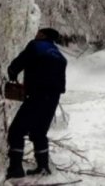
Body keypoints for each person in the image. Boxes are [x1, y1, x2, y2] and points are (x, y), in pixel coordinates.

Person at [5, 28, 68, 179]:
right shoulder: (59, 54)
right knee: (39, 132)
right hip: (53, 97)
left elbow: (19, 62)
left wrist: (12, 73)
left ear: (43, 35)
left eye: (39, 33)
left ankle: (15, 168)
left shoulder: (35, 46)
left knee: (16, 131)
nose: (36, 35)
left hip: (37, 95)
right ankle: (43, 166)